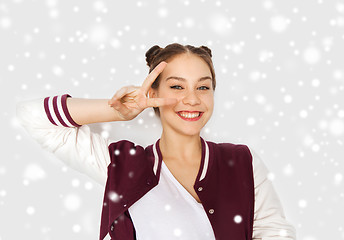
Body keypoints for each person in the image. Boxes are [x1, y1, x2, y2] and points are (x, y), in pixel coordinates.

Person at [16, 43, 296, 240]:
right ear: (153, 93)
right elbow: (33, 116)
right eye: (176, 86)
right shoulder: (123, 165)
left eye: (203, 86)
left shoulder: (242, 161)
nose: (192, 99)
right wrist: (116, 110)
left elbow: (274, 232)